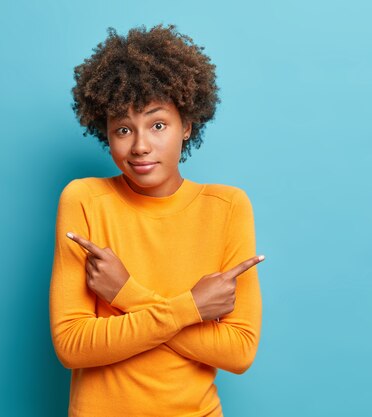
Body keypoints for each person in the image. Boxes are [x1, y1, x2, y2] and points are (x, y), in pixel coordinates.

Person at [49, 23, 265, 417]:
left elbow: (238, 351)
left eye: (158, 124)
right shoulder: (84, 200)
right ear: (106, 134)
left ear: (188, 126)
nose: (140, 146)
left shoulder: (227, 207)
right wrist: (192, 308)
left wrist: (126, 295)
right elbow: (72, 344)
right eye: (123, 129)